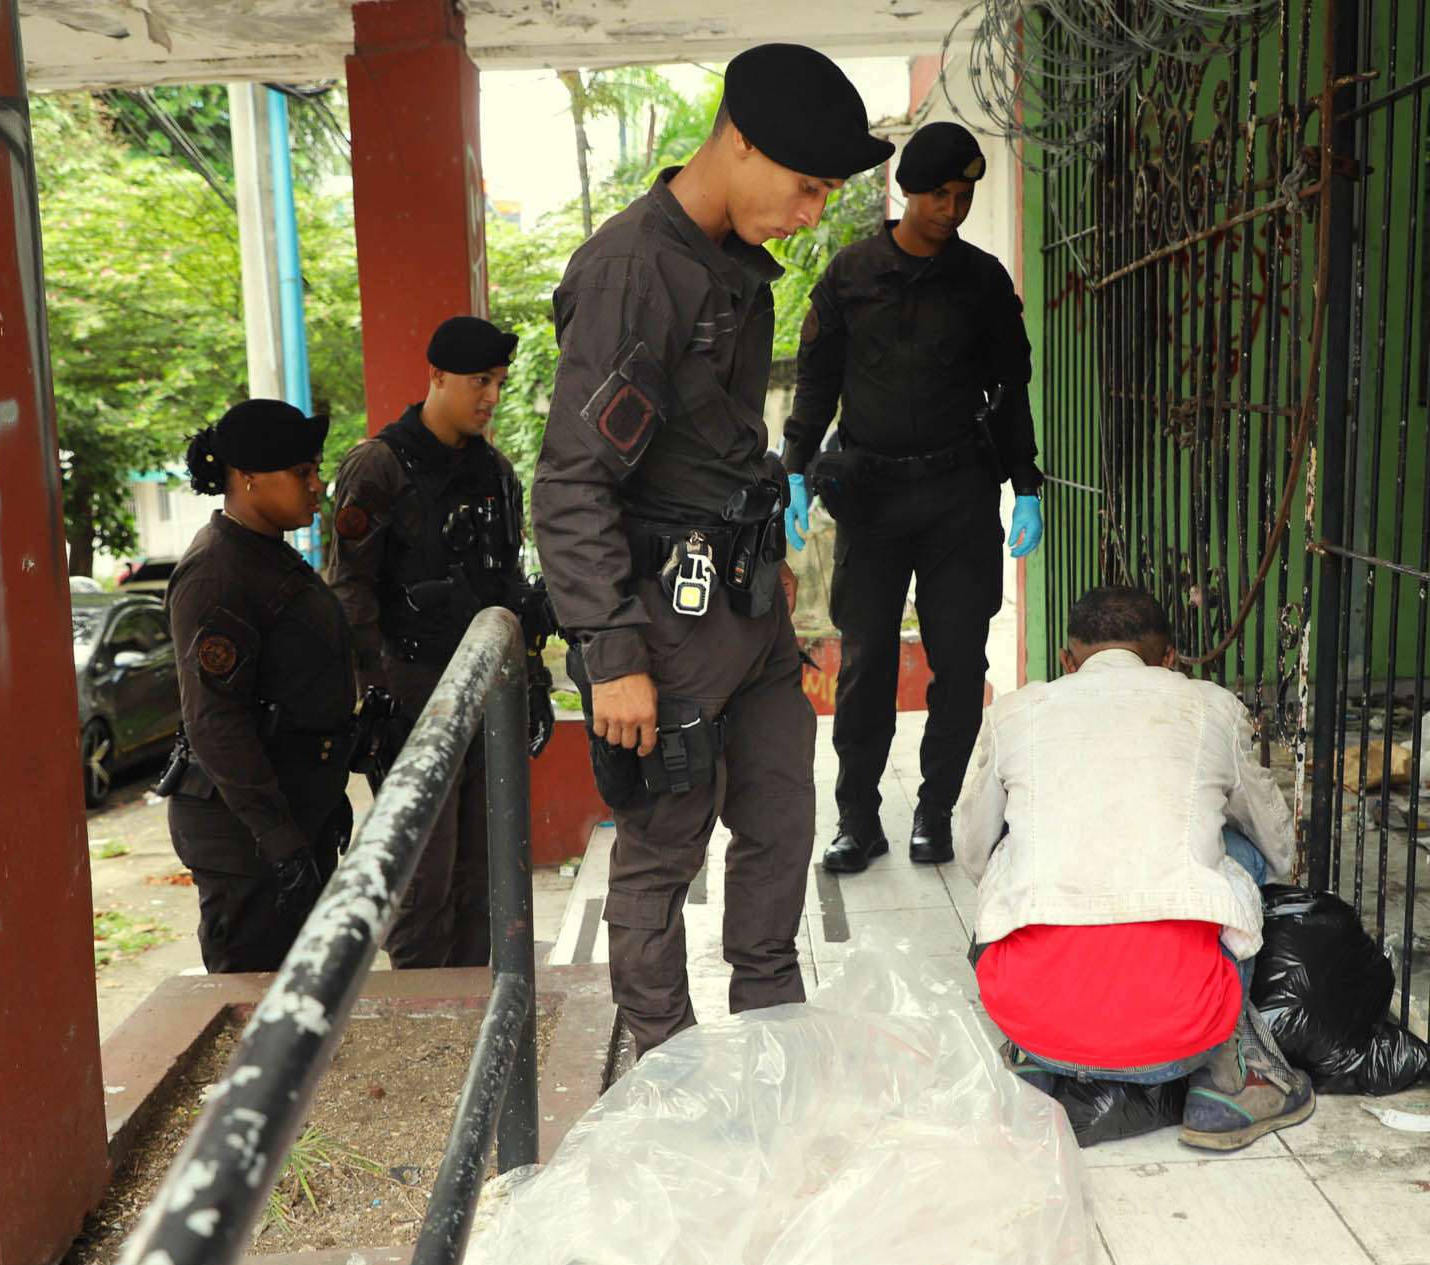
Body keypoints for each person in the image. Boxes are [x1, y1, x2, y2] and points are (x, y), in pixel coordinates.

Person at [532, 43, 893, 1054]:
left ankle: (770, 1061)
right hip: (665, 626)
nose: (816, 210)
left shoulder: (732, 271)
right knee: (662, 857)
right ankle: (667, 1076)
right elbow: (569, 482)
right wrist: (610, 652)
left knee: (779, 835)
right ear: (737, 142)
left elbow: (715, 441)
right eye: (807, 184)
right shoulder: (629, 274)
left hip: (747, 613)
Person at [956, 584, 1316, 1151]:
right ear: (1170, 659)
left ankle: (1031, 1061)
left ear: (1067, 663)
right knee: (1239, 852)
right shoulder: (1211, 706)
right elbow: (1278, 845)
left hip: (1036, 1019)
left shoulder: (1014, 713)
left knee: (1008, 851)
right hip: (1182, 1033)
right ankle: (1227, 1084)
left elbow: (970, 852)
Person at [780, 120, 1045, 875]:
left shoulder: (982, 281)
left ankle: (936, 809)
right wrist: (795, 466)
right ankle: (857, 819)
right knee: (863, 661)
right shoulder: (850, 274)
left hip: (959, 493)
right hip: (871, 494)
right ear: (907, 192)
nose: (952, 209)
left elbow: (1010, 391)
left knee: (960, 660)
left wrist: (1024, 486)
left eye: (964, 196)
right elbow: (816, 382)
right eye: (939, 195)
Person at [325, 315, 555, 970]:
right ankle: (425, 1018)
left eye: (500, 383)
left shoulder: (495, 473)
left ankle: (477, 1017)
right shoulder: (379, 467)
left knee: (486, 872)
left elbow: (507, 583)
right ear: (436, 376)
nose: (491, 396)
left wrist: (529, 674)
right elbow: (352, 594)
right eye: (480, 380)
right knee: (425, 876)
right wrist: (373, 697)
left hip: (487, 689)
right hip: (414, 687)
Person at [164, 399, 359, 974]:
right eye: (302, 472)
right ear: (248, 479)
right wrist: (280, 840)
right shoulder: (217, 573)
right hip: (245, 836)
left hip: (292, 814)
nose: (318, 485)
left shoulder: (266, 557)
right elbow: (215, 723)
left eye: (315, 469)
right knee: (254, 1017)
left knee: (305, 1005)